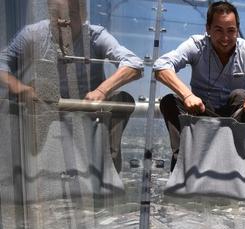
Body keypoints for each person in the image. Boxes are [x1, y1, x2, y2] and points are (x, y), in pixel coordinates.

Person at [0, 0, 143, 173]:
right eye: (56, 16)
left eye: (70, 16)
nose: (62, 23)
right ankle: (22, 165)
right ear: (48, 14)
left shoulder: (96, 36)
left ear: (83, 17)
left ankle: (106, 169)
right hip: (45, 106)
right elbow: (2, 63)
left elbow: (134, 64)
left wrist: (101, 91)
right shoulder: (33, 34)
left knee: (123, 100)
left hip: (89, 109)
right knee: (19, 100)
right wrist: (20, 89)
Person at [154, 1, 245, 172]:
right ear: (208, 29)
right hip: (201, 113)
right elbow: (161, 66)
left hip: (234, 118)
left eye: (231, 31)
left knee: (240, 95)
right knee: (169, 101)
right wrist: (187, 95)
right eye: (218, 30)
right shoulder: (196, 45)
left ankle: (240, 161)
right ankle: (183, 161)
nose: (225, 38)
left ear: (237, 29)